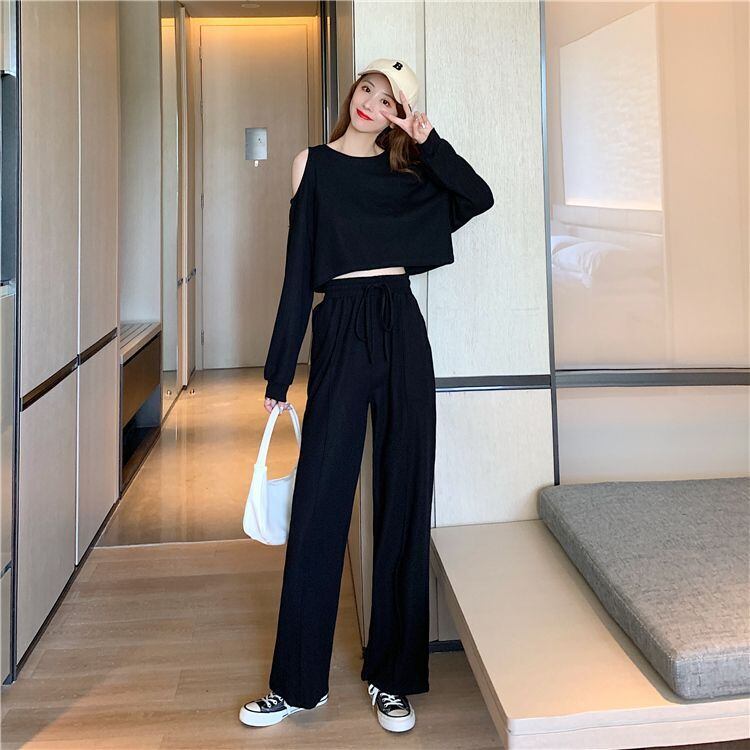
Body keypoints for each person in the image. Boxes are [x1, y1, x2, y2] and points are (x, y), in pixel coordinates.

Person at [239, 58, 494, 734]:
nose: (370, 102)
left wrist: (429, 142)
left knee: (405, 492)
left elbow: (478, 197)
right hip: (342, 324)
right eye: (367, 89)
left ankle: (393, 677)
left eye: (387, 100)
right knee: (320, 498)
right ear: (353, 92)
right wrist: (277, 375)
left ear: (397, 116)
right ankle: (297, 684)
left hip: (400, 322)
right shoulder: (312, 166)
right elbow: (298, 272)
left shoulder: (409, 174)